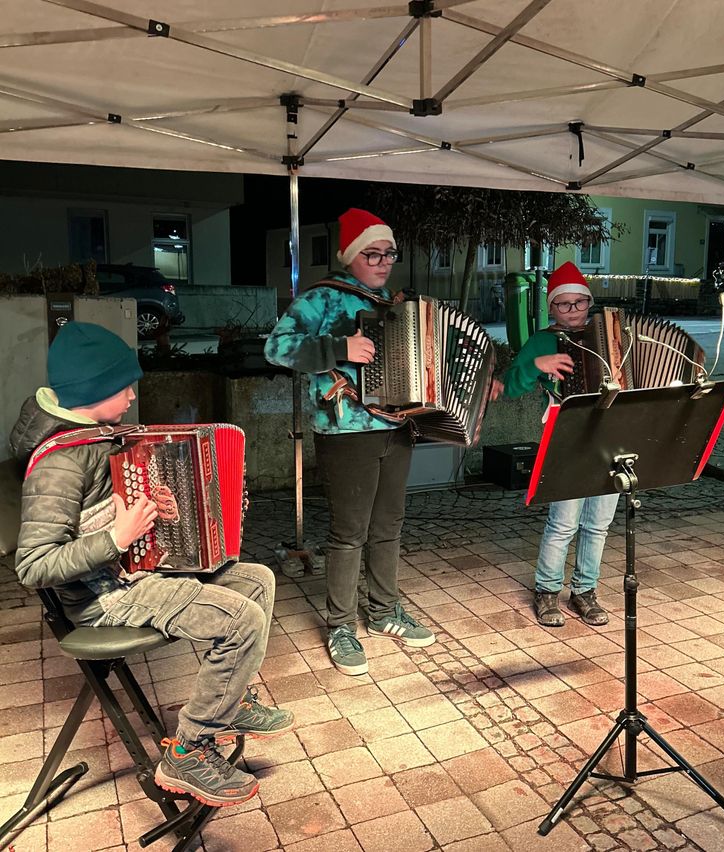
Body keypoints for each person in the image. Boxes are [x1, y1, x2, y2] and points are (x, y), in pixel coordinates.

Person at [12, 321, 293, 808]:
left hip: (129, 573)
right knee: (240, 620)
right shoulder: (60, 461)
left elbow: (113, 504)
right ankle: (188, 749)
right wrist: (116, 537)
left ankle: (230, 701)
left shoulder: (97, 436)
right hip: (105, 598)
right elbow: (33, 565)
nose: (132, 394)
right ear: (93, 391)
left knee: (257, 581)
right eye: (124, 385)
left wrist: (151, 509)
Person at [264, 208, 436, 676]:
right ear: (351, 256)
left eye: (388, 254)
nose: (382, 262)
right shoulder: (322, 298)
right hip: (345, 432)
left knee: (389, 524)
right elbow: (275, 348)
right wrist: (338, 349)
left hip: (397, 427)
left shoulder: (395, 304)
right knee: (349, 532)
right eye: (372, 253)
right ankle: (341, 624)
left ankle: (382, 611)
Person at [502, 261, 619, 628]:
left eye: (580, 303)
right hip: (565, 436)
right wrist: (537, 364)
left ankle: (585, 591)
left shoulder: (611, 334)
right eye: (564, 305)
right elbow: (510, 384)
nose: (573, 311)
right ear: (551, 307)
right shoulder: (543, 339)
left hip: (611, 436)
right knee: (563, 522)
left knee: (598, 523)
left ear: (589, 301)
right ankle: (547, 591)